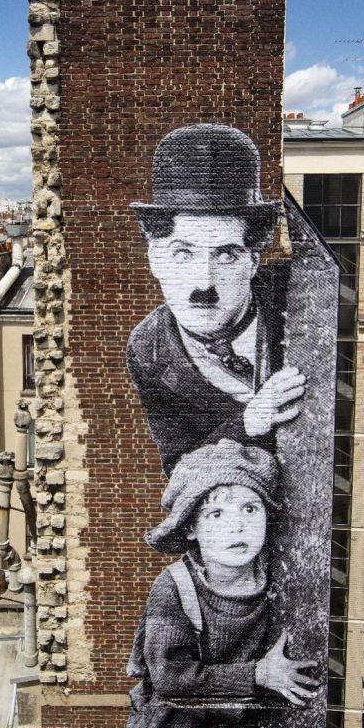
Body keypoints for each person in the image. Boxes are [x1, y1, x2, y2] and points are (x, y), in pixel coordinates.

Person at [124, 440, 318, 728]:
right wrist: (258, 675)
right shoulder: (175, 588)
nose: (237, 525)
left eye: (250, 509)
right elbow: (171, 676)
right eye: (216, 514)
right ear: (190, 528)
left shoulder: (278, 575)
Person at [128, 123, 306, 476]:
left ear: (252, 261)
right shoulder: (149, 349)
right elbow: (181, 466)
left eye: (226, 255)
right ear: (155, 259)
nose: (204, 284)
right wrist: (249, 421)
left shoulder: (297, 295)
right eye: (183, 254)